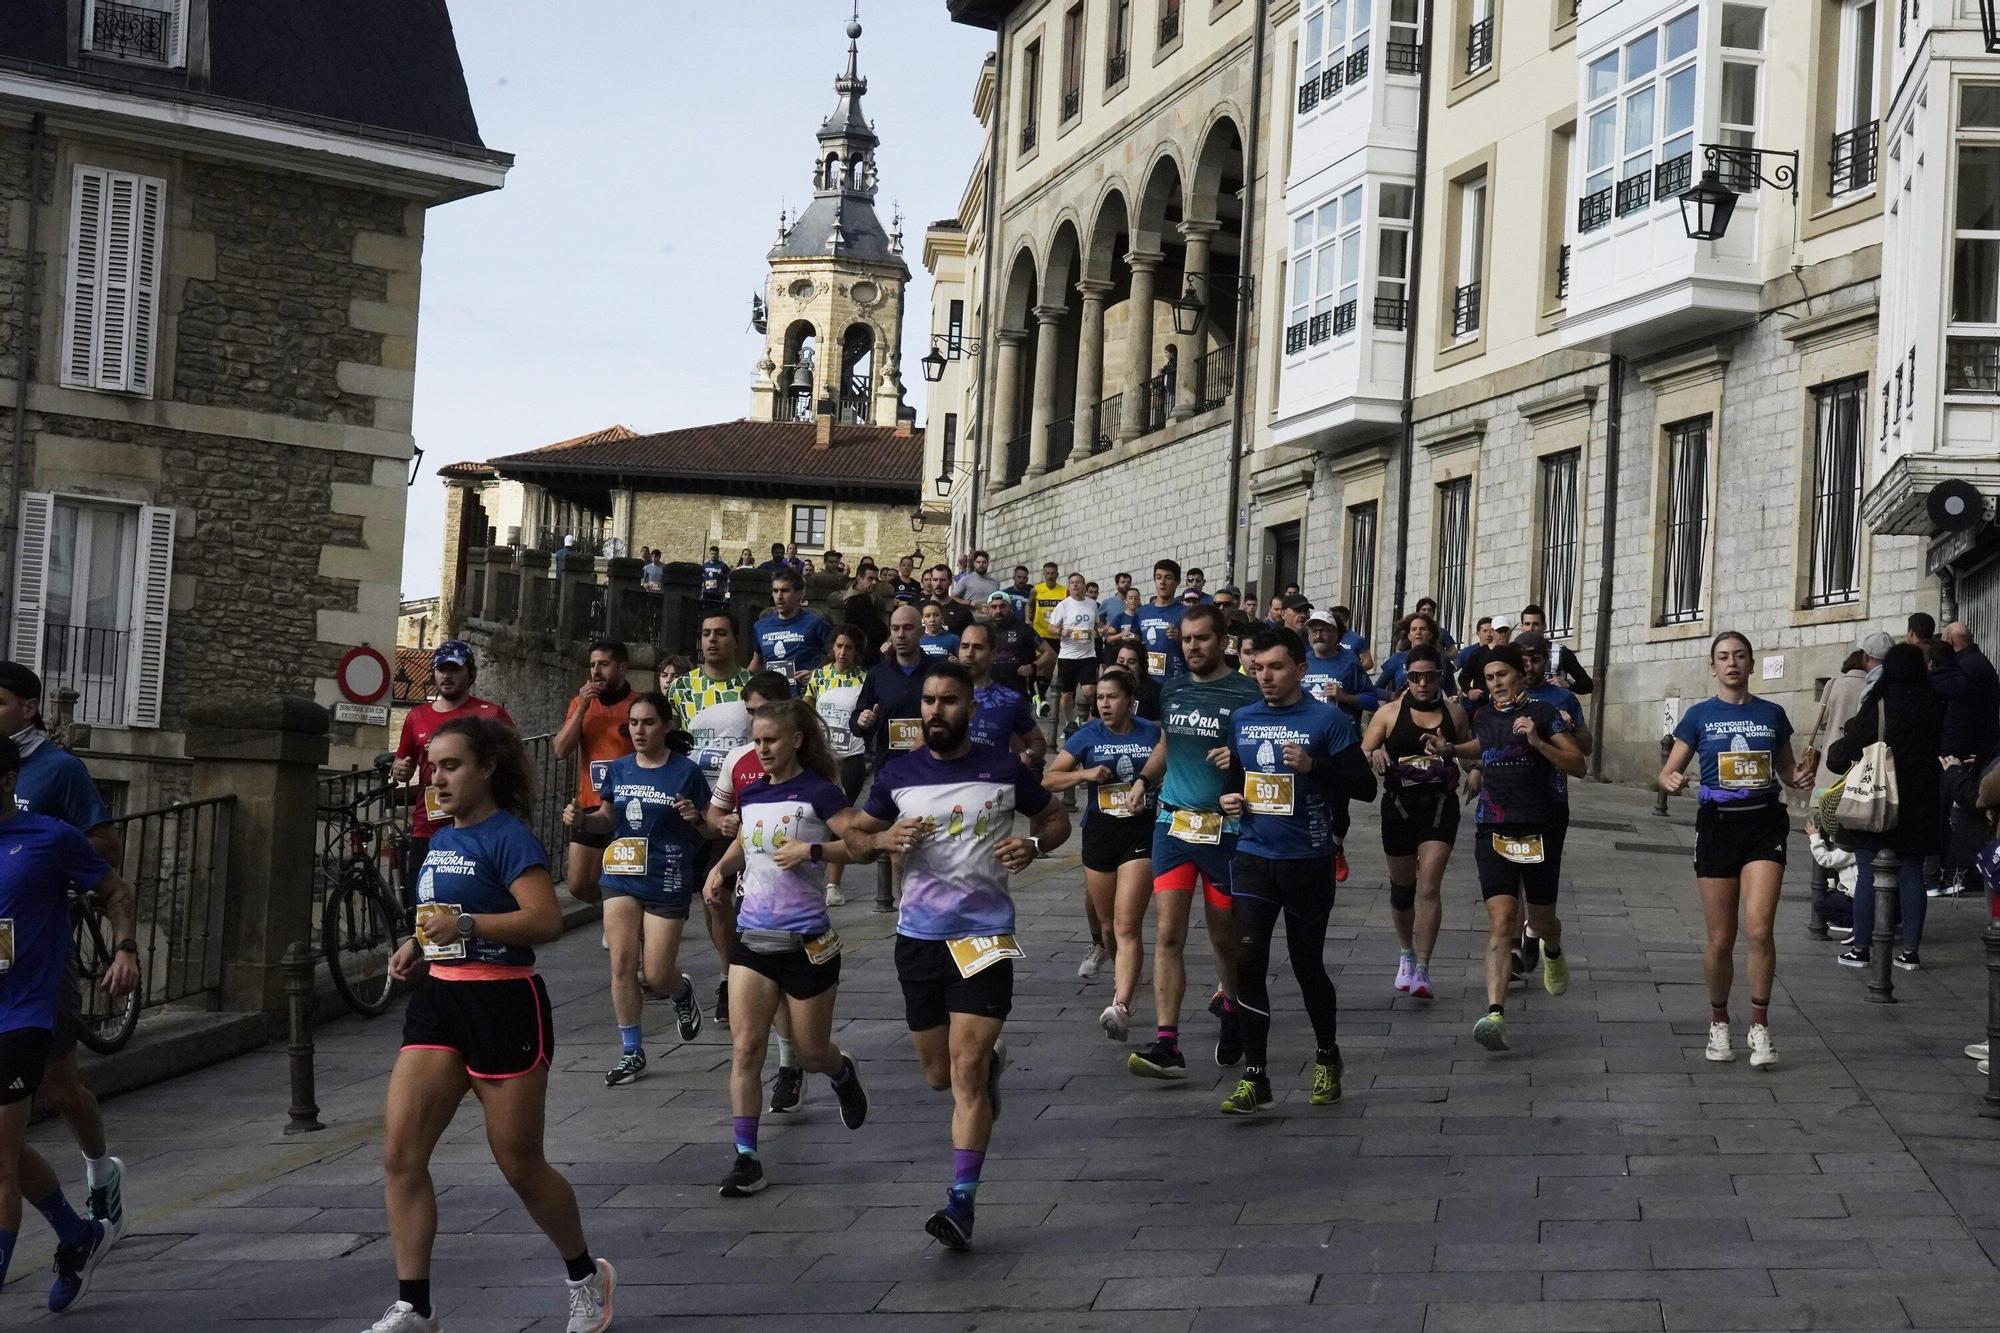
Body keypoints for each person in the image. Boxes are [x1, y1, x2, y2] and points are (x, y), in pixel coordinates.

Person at [376, 717, 614, 1333]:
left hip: (504, 1004)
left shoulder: (509, 838)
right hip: (439, 1003)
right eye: (432, 767)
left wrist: (468, 926)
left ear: (487, 769)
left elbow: (545, 920)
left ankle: (585, 1275)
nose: (437, 778)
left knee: (519, 1164)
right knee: (401, 1154)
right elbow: (442, 916)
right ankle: (415, 1307)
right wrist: (417, 943)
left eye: (451, 765)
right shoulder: (439, 839)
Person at [844, 661, 1070, 1250]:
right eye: (928, 701)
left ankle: (961, 1202)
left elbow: (1055, 818)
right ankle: (989, 1069)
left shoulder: (1003, 767)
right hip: (919, 938)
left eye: (948, 701)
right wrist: (882, 839)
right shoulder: (899, 773)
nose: (935, 711)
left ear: (970, 707)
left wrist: (1034, 844)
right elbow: (857, 838)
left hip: (985, 935)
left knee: (964, 1070)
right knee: (939, 1075)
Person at [702, 701, 870, 1197]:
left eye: (771, 740)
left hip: (807, 943)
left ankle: (841, 1071)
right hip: (753, 940)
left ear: (796, 740)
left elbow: (862, 846)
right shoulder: (752, 792)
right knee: (745, 1048)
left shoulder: (820, 792)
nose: (762, 749)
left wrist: (811, 850)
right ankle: (747, 1158)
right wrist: (720, 869)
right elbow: (747, 844)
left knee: (811, 1053)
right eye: (757, 741)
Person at [1213, 625, 1376, 1114]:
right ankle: (1256, 1076)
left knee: (1307, 965)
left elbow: (1365, 787)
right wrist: (1229, 799)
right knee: (1248, 963)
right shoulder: (1243, 719)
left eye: (1276, 667)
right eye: (1258, 668)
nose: (1265, 676)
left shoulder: (1328, 721)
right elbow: (1237, 779)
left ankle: (1327, 1054)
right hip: (1253, 856)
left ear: (1301, 670)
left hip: (1307, 860)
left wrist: (1313, 767)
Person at [0, 735, 136, 1316]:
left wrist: (125, 949)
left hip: (23, 1013)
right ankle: (77, 1235)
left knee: (3, 1162)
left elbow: (115, 888)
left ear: (9, 781)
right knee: (2, 1150)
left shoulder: (49, 837)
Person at [1659, 632, 1812, 1070]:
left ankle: (1760, 1026)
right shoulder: (1699, 716)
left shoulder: (1771, 714)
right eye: (1723, 657)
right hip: (1717, 826)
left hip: (1764, 823)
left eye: (1739, 656)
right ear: (1713, 667)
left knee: (1759, 930)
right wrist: (1670, 780)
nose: (1732, 663)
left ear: (1751, 664)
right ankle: (1719, 1020)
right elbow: (1668, 772)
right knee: (1721, 938)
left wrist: (1798, 777)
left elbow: (1786, 768)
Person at [1429, 644, 1587, 1052]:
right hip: (1494, 827)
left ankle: (1552, 948)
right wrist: (1450, 749)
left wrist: (1538, 741)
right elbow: (1483, 746)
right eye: (1489, 677)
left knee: (1542, 919)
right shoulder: (1483, 715)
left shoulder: (1544, 713)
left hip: (1540, 828)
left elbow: (1578, 765)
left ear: (1519, 674)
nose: (1496, 683)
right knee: (1501, 922)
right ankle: (1495, 1014)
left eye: (1502, 674)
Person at [1124, 603, 1258, 1078]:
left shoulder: (1247, 692)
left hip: (1226, 832)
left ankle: (1233, 1007)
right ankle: (1167, 1043)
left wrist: (1238, 759)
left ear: (1223, 641)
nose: (1193, 647)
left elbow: (1262, 752)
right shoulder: (1173, 688)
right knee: (1168, 933)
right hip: (1174, 825)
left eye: (1202, 638)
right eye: (1186, 639)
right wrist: (1143, 779)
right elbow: (1167, 743)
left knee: (1224, 936)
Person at [565, 694, 707, 1086]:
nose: (639, 731)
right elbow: (607, 819)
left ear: (666, 726)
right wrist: (582, 820)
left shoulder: (686, 772)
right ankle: (632, 1052)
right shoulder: (620, 769)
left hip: (666, 876)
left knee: (656, 975)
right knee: (622, 964)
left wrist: (696, 818)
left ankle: (680, 991)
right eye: (633, 723)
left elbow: (709, 828)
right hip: (621, 874)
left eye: (648, 723)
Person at [1044, 668, 1160, 1014]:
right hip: (1100, 832)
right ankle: (1122, 973)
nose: (1105, 704)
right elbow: (1050, 779)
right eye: (1100, 698)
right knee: (1107, 925)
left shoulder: (1152, 732)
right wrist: (1085, 773)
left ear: (1130, 701)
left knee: (1127, 924)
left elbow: (1172, 763)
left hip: (1141, 832)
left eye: (1112, 697)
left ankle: (1122, 1002)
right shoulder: (1087, 734)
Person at [1359, 643, 1468, 1001]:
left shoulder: (1454, 714)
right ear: (1407, 677)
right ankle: (1406, 952)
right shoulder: (1389, 713)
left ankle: (1422, 967)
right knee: (1402, 888)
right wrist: (1375, 752)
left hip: (1439, 805)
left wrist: (1475, 770)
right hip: (1399, 807)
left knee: (1430, 886)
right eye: (1416, 677)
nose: (1423, 684)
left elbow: (1470, 752)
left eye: (1430, 677)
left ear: (1440, 677)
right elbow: (1363, 750)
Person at [1826, 643, 1945, 971]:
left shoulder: (1880, 701)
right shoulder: (1934, 702)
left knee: (1868, 873)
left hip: (1878, 797)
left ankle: (1862, 948)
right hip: (1920, 803)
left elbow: (1854, 745)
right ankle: (1910, 952)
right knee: (1911, 874)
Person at [703, 671, 795, 1047]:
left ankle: (794, 1057)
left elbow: (840, 827)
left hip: (793, 885)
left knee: (791, 995)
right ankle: (730, 979)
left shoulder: (810, 760)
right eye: (750, 712)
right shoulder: (738, 759)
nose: (756, 720)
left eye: (763, 710)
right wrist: (722, 824)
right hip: (748, 873)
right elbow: (716, 815)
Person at [393, 641, 515, 905]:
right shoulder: (417, 715)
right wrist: (400, 769)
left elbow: (512, 767)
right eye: (441, 669)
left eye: (454, 669)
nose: (446, 676)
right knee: (422, 908)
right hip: (427, 828)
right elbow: (404, 763)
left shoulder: (491, 714)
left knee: (473, 903)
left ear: (471, 674)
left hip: (478, 828)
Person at [853, 604, 933, 913]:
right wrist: (863, 720)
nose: (901, 635)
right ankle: (906, 904)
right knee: (900, 845)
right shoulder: (878, 674)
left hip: (931, 770)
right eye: (895, 629)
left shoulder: (937, 671)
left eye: (908, 628)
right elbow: (858, 720)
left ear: (921, 631)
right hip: (892, 772)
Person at [553, 640, 636, 909]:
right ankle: (609, 912)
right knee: (579, 883)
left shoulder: (637, 705)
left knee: (625, 877)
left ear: (621, 668)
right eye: (592, 665)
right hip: (590, 801)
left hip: (629, 803)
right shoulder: (580, 704)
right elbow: (560, 750)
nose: (596, 671)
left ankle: (620, 916)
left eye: (604, 664)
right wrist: (581, 708)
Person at [805, 626, 870, 906]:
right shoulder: (819, 676)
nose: (843, 652)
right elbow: (806, 709)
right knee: (814, 818)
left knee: (841, 819)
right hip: (822, 758)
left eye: (849, 647)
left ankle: (834, 884)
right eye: (839, 646)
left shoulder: (865, 679)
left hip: (851, 758)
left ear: (857, 651)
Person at [958, 622, 1046, 764]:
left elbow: (1037, 742)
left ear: (993, 655)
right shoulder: (940, 695)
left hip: (992, 776)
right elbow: (922, 743)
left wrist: (1026, 756)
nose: (969, 654)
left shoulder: (1010, 699)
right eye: (964, 646)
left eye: (978, 647)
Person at [751, 569, 835, 686]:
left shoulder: (817, 622)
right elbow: (756, 663)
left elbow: (836, 657)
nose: (779, 596)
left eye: (785, 591)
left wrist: (816, 674)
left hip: (805, 692)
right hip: (771, 692)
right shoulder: (760, 626)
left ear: (799, 593)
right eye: (775, 591)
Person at [1050, 572, 1102, 736]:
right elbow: (1051, 628)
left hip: (1088, 654)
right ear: (1068, 586)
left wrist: (1100, 630)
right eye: (1072, 582)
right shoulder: (1063, 605)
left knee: (1089, 690)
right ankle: (1070, 723)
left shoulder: (1092, 604)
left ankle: (1086, 718)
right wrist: (1061, 631)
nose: (1075, 585)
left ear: (1084, 586)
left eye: (1078, 582)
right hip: (1068, 656)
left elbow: (1097, 625)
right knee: (1066, 695)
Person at [981, 590, 1052, 698]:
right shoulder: (982, 631)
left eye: (1002, 606)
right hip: (989, 692)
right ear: (987, 610)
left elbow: (1050, 654)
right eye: (994, 607)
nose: (998, 611)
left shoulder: (1024, 629)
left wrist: (1033, 667)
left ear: (1010, 608)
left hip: (1019, 693)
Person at [1516, 605, 1592, 694]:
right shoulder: (1513, 651)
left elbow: (1588, 685)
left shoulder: (1561, 652)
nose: (1531, 628)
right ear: (1521, 627)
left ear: (1544, 626)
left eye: (1535, 624)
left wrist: (1568, 684)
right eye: (1527, 624)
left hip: (1553, 700)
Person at [1135, 559, 1188, 682]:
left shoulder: (1187, 613)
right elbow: (1134, 646)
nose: (1162, 582)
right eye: (1158, 577)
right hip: (1146, 682)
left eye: (1168, 578)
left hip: (1175, 681)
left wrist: (1180, 638)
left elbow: (1196, 647)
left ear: (1177, 581)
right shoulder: (1141, 612)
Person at [1378, 613, 1453, 697]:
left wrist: (1453, 699)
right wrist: (1394, 696)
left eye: (1423, 629)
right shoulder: (1397, 659)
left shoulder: (1442, 660)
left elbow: (1451, 690)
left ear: (1430, 634)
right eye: (1414, 629)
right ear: (1409, 636)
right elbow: (1377, 689)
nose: (1418, 632)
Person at [1030, 561, 1068, 713]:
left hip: (1056, 635)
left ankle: (1040, 696)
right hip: (1040, 633)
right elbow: (1030, 605)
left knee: (1050, 667)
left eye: (1053, 573)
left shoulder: (1064, 591)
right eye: (1047, 573)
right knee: (1040, 663)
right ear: (1043, 574)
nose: (1050, 576)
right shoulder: (1036, 590)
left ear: (1057, 574)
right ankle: (1039, 697)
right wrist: (1028, 619)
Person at [841, 564, 887, 667]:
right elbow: (874, 629)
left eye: (876, 579)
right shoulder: (857, 601)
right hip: (862, 656)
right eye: (870, 578)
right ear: (859, 578)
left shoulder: (864, 598)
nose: (874, 582)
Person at [1113, 641, 1164, 722]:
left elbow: (1161, 723)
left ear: (1141, 666)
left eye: (1131, 662)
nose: (1125, 666)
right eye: (1121, 661)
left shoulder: (1155, 691)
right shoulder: (1107, 686)